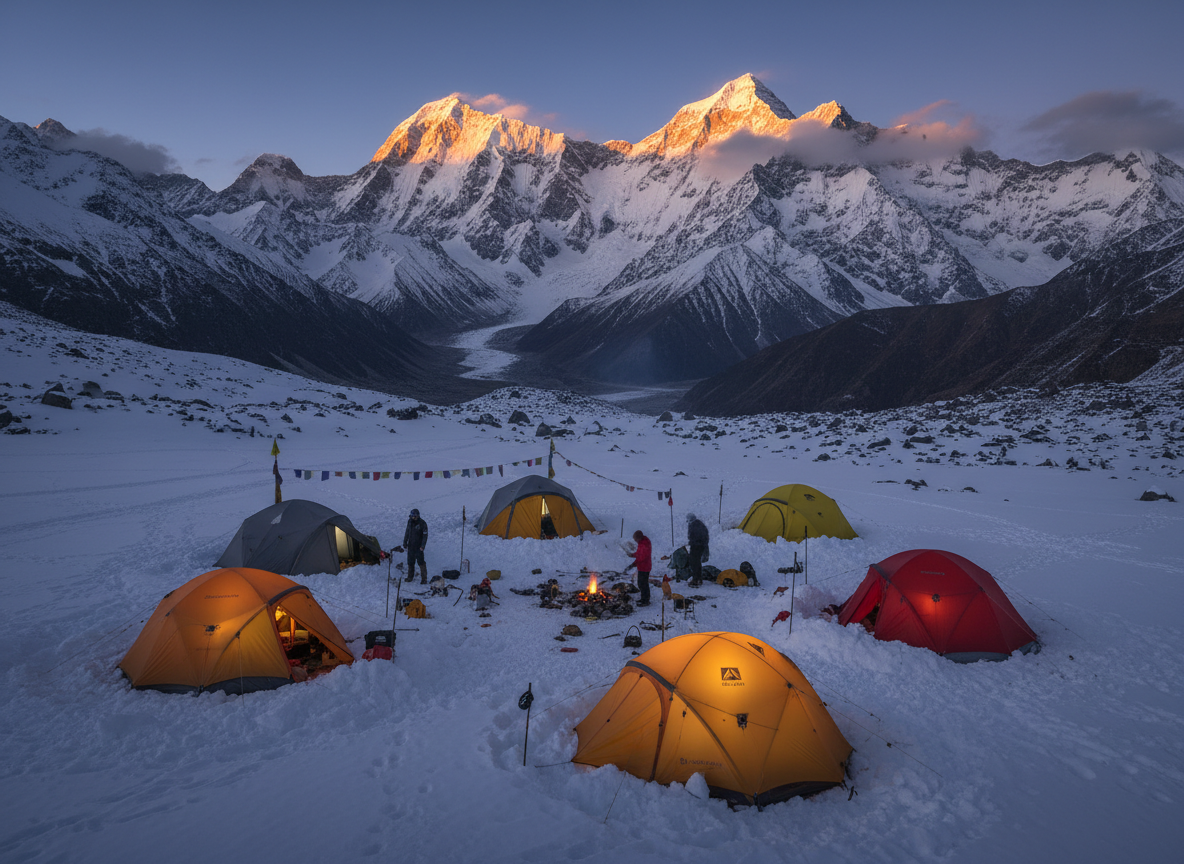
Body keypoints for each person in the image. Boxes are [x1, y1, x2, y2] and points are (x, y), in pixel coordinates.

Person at [623, 529, 652, 606]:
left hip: (645, 567)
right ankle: (644, 599)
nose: (635, 541)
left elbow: (642, 558)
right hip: (642, 567)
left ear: (639, 538)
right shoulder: (641, 542)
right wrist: (632, 555)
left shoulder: (644, 544)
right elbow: (639, 553)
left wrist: (633, 564)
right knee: (641, 583)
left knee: (643, 584)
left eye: (635, 539)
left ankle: (645, 601)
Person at [403, 508, 428, 583]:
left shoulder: (422, 523)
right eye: (413, 516)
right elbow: (407, 532)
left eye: (415, 516)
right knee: (410, 562)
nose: (414, 517)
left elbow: (425, 536)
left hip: (419, 546)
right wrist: (405, 542)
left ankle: (424, 579)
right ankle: (410, 577)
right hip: (411, 546)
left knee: (421, 562)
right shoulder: (410, 522)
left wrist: (422, 546)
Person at [686, 512, 709, 587]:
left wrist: (693, 542)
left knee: (694, 563)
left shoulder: (695, 525)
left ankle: (695, 579)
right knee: (697, 562)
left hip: (697, 547)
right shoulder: (699, 524)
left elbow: (695, 537)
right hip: (699, 546)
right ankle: (699, 578)